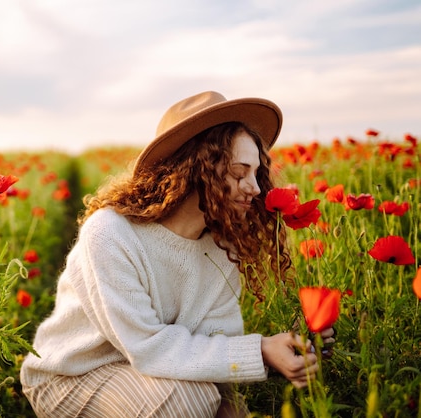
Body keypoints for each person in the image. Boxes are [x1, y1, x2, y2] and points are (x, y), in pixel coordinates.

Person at [20, 91, 335, 417]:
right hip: (73, 374)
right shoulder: (112, 233)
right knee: (187, 401)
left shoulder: (220, 248)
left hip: (155, 373)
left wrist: (285, 347)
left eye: (257, 174)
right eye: (241, 172)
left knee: (222, 404)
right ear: (198, 167)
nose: (255, 188)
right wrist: (260, 350)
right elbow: (146, 347)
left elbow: (216, 343)